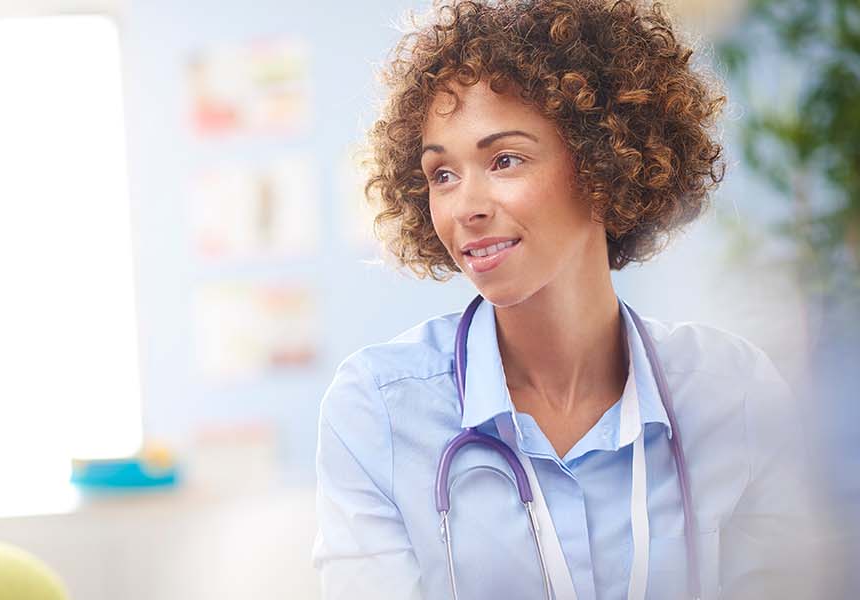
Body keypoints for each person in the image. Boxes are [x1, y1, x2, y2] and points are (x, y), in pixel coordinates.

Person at [313, 1, 826, 599]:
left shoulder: (732, 393)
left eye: (504, 160)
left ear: (605, 164)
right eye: (442, 174)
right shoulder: (377, 411)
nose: (465, 207)